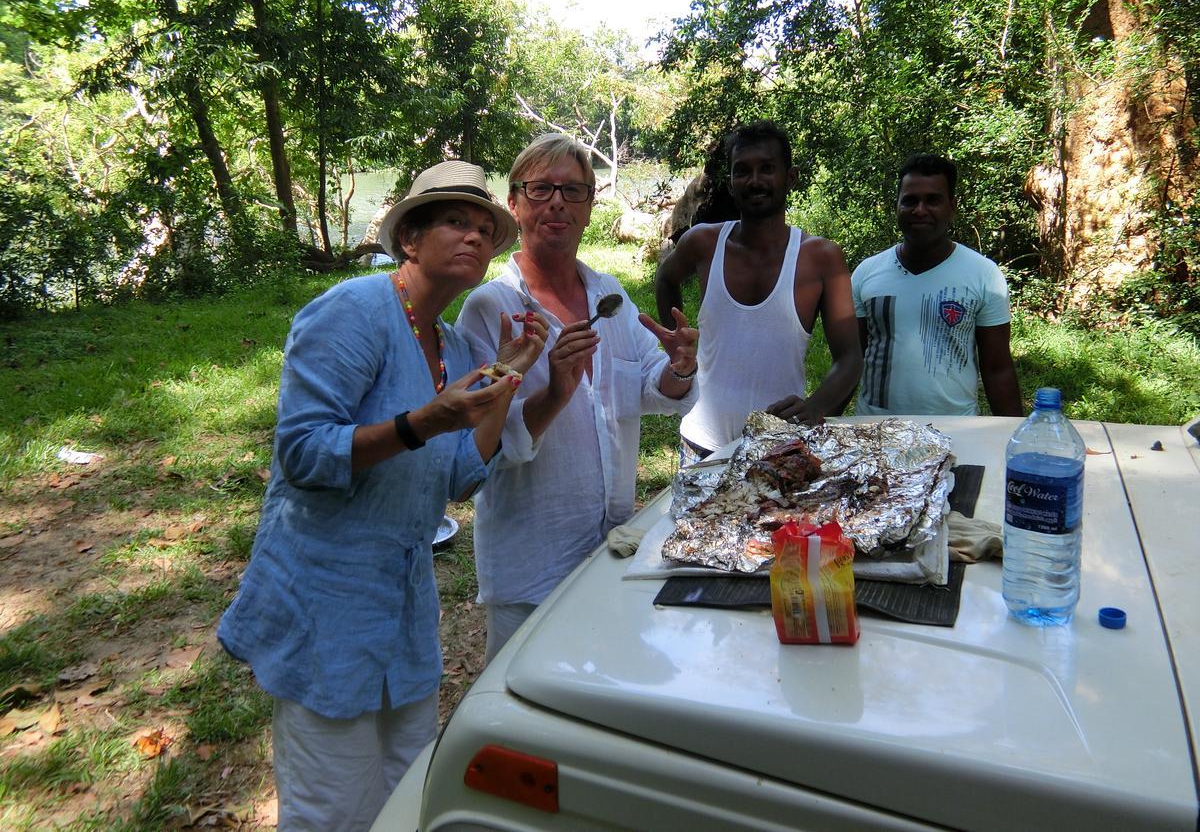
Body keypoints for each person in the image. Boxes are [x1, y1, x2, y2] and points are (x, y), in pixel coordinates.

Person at [217, 160, 548, 831]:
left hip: (403, 610)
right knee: (331, 810)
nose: (475, 237)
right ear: (410, 240)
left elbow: (458, 474)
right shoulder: (352, 313)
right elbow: (304, 453)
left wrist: (507, 379)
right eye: (457, 221)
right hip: (327, 607)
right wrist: (421, 421)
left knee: (408, 795)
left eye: (485, 228)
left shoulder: (453, 347)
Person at [456, 133, 699, 663]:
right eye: (541, 189)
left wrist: (679, 367)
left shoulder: (606, 294)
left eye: (573, 191)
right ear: (514, 204)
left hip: (612, 543)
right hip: (531, 556)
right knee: (523, 695)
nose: (557, 203)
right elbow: (482, 444)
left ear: (590, 208)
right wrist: (557, 390)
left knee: (604, 676)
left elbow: (652, 386)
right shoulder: (491, 308)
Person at [654, 120, 863, 463]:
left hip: (777, 449)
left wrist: (816, 407)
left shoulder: (820, 258)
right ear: (731, 183)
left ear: (790, 177)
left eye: (767, 169)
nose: (755, 181)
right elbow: (666, 278)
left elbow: (850, 358)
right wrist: (676, 339)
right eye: (743, 171)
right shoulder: (704, 242)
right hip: (701, 443)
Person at [851, 153, 1023, 417]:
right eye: (910, 201)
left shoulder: (983, 275)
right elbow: (849, 361)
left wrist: (1013, 437)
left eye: (933, 200)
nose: (920, 210)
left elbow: (997, 369)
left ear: (952, 206)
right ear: (896, 206)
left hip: (956, 431)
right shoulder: (867, 273)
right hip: (875, 431)